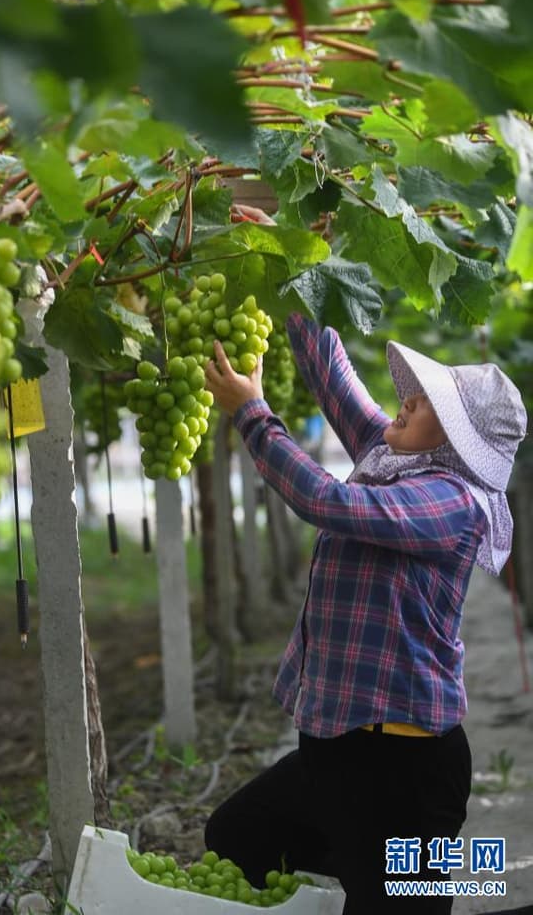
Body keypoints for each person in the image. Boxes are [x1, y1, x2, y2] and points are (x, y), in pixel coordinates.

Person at [203, 312, 528, 914]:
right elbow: (332, 379)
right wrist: (296, 273)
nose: (405, 402)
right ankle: (376, 874)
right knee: (239, 837)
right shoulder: (394, 456)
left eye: (427, 403)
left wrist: (252, 414)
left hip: (404, 773)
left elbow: (327, 501)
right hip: (338, 749)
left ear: (458, 440)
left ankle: (392, 879)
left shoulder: (454, 503)